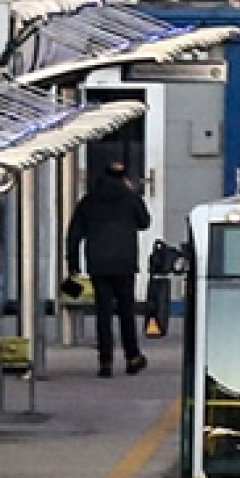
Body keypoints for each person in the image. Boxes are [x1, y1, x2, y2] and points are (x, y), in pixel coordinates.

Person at [65, 160, 152, 379]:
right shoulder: (130, 198)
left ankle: (105, 362)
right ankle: (132, 357)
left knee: (103, 313)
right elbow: (145, 222)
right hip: (124, 263)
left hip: (98, 264)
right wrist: (133, 194)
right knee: (126, 312)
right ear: (125, 177)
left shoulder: (89, 201)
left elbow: (74, 234)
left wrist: (73, 264)